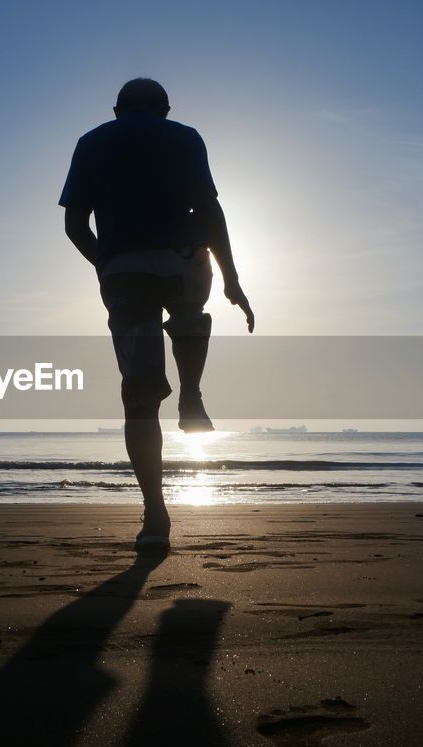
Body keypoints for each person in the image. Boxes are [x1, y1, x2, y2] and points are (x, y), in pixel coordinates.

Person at [59, 78, 255, 551]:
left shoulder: (92, 141)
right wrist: (232, 278)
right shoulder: (186, 136)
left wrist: (106, 264)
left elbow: (73, 223)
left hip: (125, 267)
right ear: (165, 109)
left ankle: (155, 514)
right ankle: (191, 394)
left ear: (116, 109)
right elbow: (209, 210)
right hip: (184, 258)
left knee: (139, 399)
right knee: (190, 313)